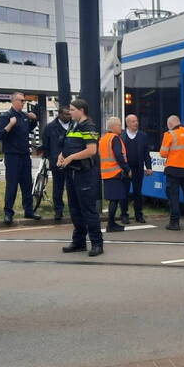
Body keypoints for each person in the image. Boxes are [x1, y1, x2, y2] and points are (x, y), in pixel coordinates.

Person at [56, 98, 103, 256]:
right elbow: (69, 146)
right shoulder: (73, 125)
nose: (70, 112)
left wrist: (71, 158)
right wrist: (61, 156)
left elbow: (91, 150)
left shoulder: (88, 126)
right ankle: (79, 242)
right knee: (75, 210)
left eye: (72, 109)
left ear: (81, 110)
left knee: (89, 210)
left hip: (85, 174)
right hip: (72, 173)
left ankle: (97, 244)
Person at [0, 92, 41, 225]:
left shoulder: (23, 116)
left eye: (24, 101)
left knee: (27, 184)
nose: (24, 103)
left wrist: (34, 119)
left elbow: (27, 130)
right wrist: (10, 125)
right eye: (22, 100)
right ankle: (8, 213)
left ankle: (29, 210)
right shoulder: (6, 116)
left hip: (25, 154)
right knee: (12, 185)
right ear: (14, 101)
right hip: (12, 155)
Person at [159, 115, 184, 231]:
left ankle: (174, 223)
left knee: (173, 197)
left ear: (170, 125)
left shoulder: (169, 135)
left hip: (174, 170)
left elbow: (163, 153)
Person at [118, 113, 152, 225]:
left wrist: (149, 167)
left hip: (138, 169)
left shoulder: (143, 136)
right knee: (124, 192)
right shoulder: (121, 135)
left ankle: (139, 214)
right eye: (133, 121)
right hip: (125, 169)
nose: (136, 123)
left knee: (138, 192)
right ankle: (124, 215)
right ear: (127, 123)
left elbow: (146, 153)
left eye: (136, 121)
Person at [99, 116, 130, 233]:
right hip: (115, 173)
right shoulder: (115, 138)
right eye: (119, 125)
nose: (121, 128)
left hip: (106, 173)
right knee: (115, 200)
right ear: (112, 126)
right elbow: (118, 155)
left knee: (113, 199)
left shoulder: (103, 138)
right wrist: (127, 169)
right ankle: (111, 224)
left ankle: (111, 223)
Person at [40, 106, 72, 222]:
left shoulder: (74, 126)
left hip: (72, 161)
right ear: (59, 115)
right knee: (58, 187)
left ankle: (73, 210)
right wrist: (51, 157)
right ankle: (58, 210)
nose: (69, 116)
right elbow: (46, 144)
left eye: (70, 114)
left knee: (71, 187)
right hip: (56, 162)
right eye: (66, 114)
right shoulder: (50, 127)